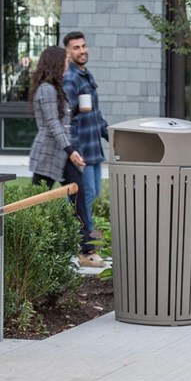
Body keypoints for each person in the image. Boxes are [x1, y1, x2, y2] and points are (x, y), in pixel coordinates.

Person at [27, 46, 98, 264]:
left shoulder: (55, 88)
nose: (68, 65)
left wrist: (75, 110)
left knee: (79, 197)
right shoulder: (47, 89)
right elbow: (52, 125)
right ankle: (29, 248)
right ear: (56, 63)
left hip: (62, 153)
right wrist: (71, 151)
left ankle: (86, 251)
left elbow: (61, 121)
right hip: (49, 154)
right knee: (36, 203)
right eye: (65, 61)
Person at [62, 31, 109, 268]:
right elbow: (66, 117)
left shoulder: (86, 76)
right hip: (81, 151)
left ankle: (82, 243)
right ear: (68, 53)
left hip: (94, 149)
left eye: (83, 46)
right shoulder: (70, 79)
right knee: (85, 198)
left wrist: (112, 136)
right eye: (76, 47)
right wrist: (73, 151)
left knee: (92, 195)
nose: (82, 50)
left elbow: (97, 116)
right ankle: (86, 250)